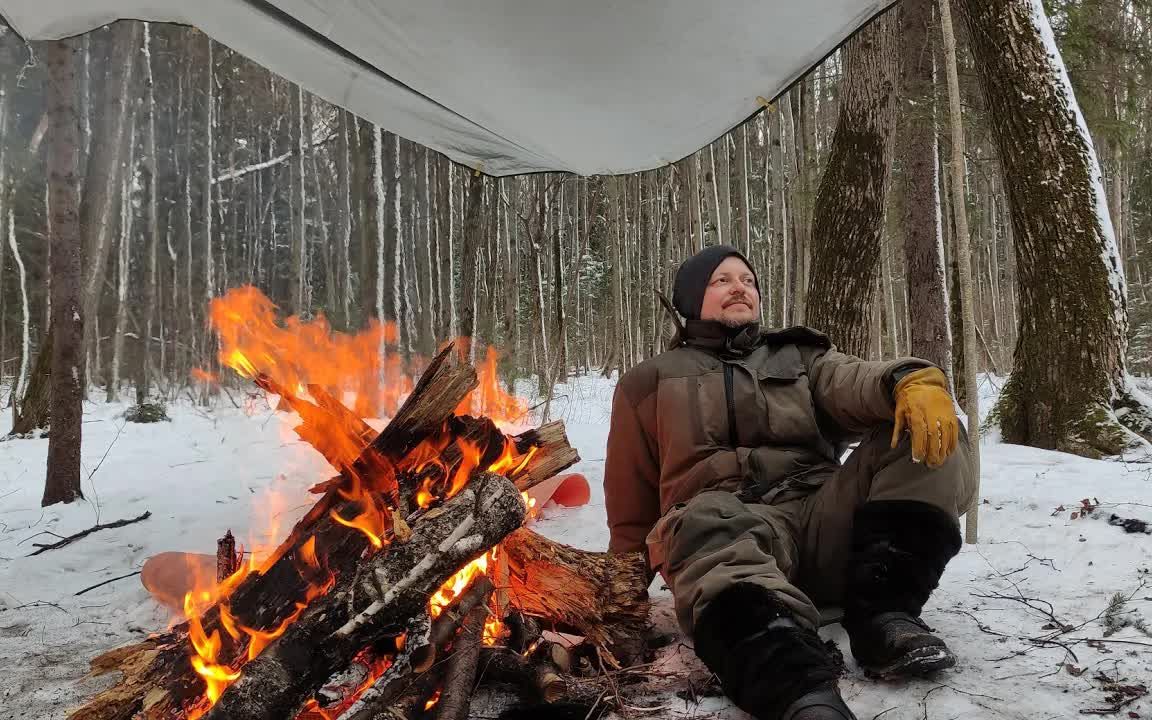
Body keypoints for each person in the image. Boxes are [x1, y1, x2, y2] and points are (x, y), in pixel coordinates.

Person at [603, 245, 976, 720]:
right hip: (725, 539)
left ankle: (886, 616)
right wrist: (620, 591)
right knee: (700, 518)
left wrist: (907, 379)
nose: (740, 287)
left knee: (920, 434)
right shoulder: (647, 381)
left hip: (821, 521)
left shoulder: (799, 358)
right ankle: (799, 691)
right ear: (691, 298)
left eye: (748, 280)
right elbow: (631, 503)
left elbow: (853, 381)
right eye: (722, 280)